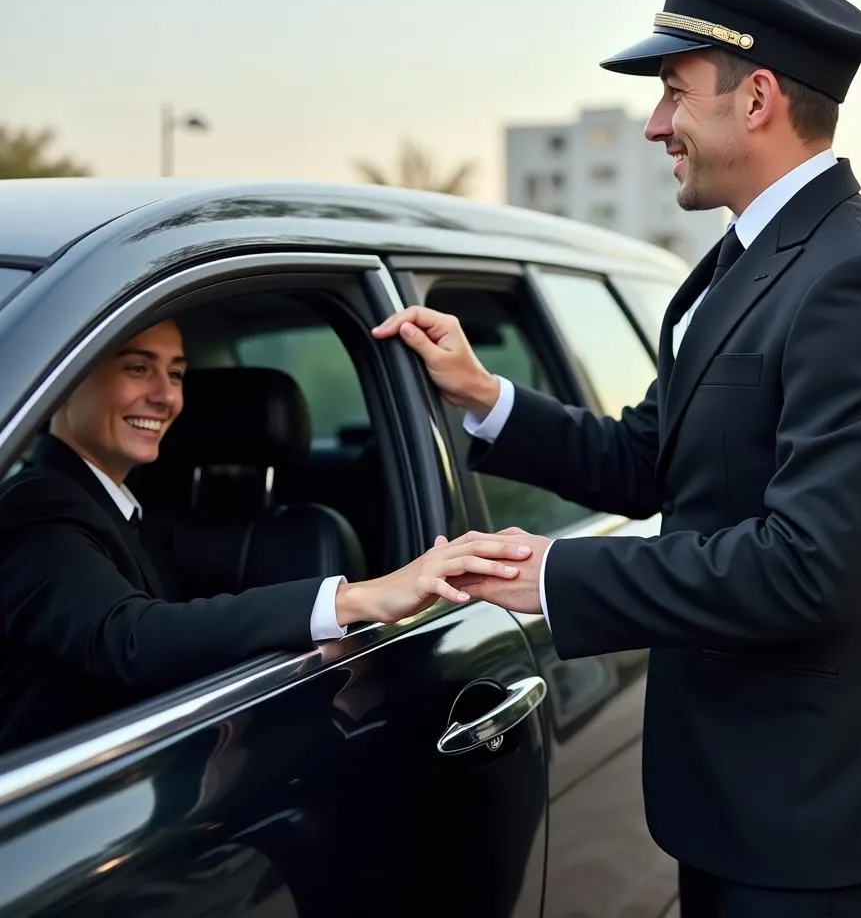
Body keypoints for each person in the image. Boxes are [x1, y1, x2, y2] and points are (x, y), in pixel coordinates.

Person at [373, 0, 861, 917]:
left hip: (813, 821)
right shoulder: (743, 261)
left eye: (672, 89)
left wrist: (554, 574)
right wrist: (483, 396)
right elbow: (648, 460)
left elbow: (808, 568)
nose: (656, 124)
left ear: (757, 97)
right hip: (739, 799)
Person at [0, 318, 532, 754]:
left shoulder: (116, 507)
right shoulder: (36, 507)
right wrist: (360, 596)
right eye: (138, 368)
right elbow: (131, 639)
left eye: (178, 374)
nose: (165, 397)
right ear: (62, 384)